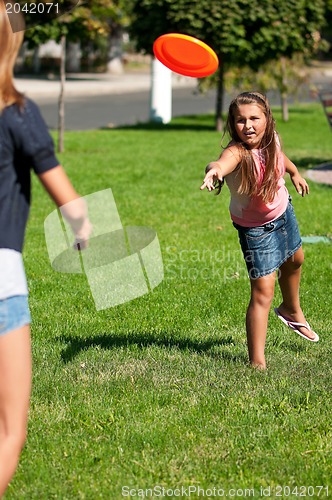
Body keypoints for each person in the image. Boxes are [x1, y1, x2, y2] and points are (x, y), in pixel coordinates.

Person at [0, 3, 91, 495]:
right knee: (9, 430)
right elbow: (70, 203)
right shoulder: (18, 112)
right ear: (12, 45)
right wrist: (83, 226)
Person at [200, 91, 318, 370]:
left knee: (296, 259)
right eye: (240, 120)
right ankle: (257, 363)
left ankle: (291, 309)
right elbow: (221, 163)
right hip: (256, 231)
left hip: (283, 211)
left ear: (267, 119)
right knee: (262, 292)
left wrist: (294, 172)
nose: (248, 125)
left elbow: (280, 157)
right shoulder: (237, 152)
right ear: (232, 123)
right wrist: (214, 170)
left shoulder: (271, 140)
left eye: (255, 118)